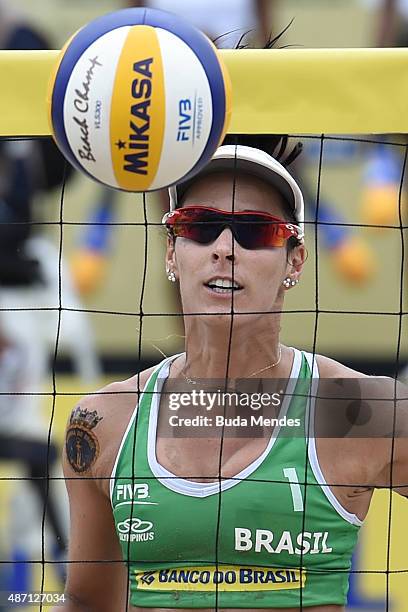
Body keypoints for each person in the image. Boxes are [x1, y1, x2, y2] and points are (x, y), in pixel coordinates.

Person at [55, 137, 407, 611]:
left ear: (295, 261)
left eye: (256, 231)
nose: (224, 247)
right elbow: (87, 603)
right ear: (171, 252)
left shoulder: (356, 411)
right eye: (200, 226)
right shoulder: (105, 420)